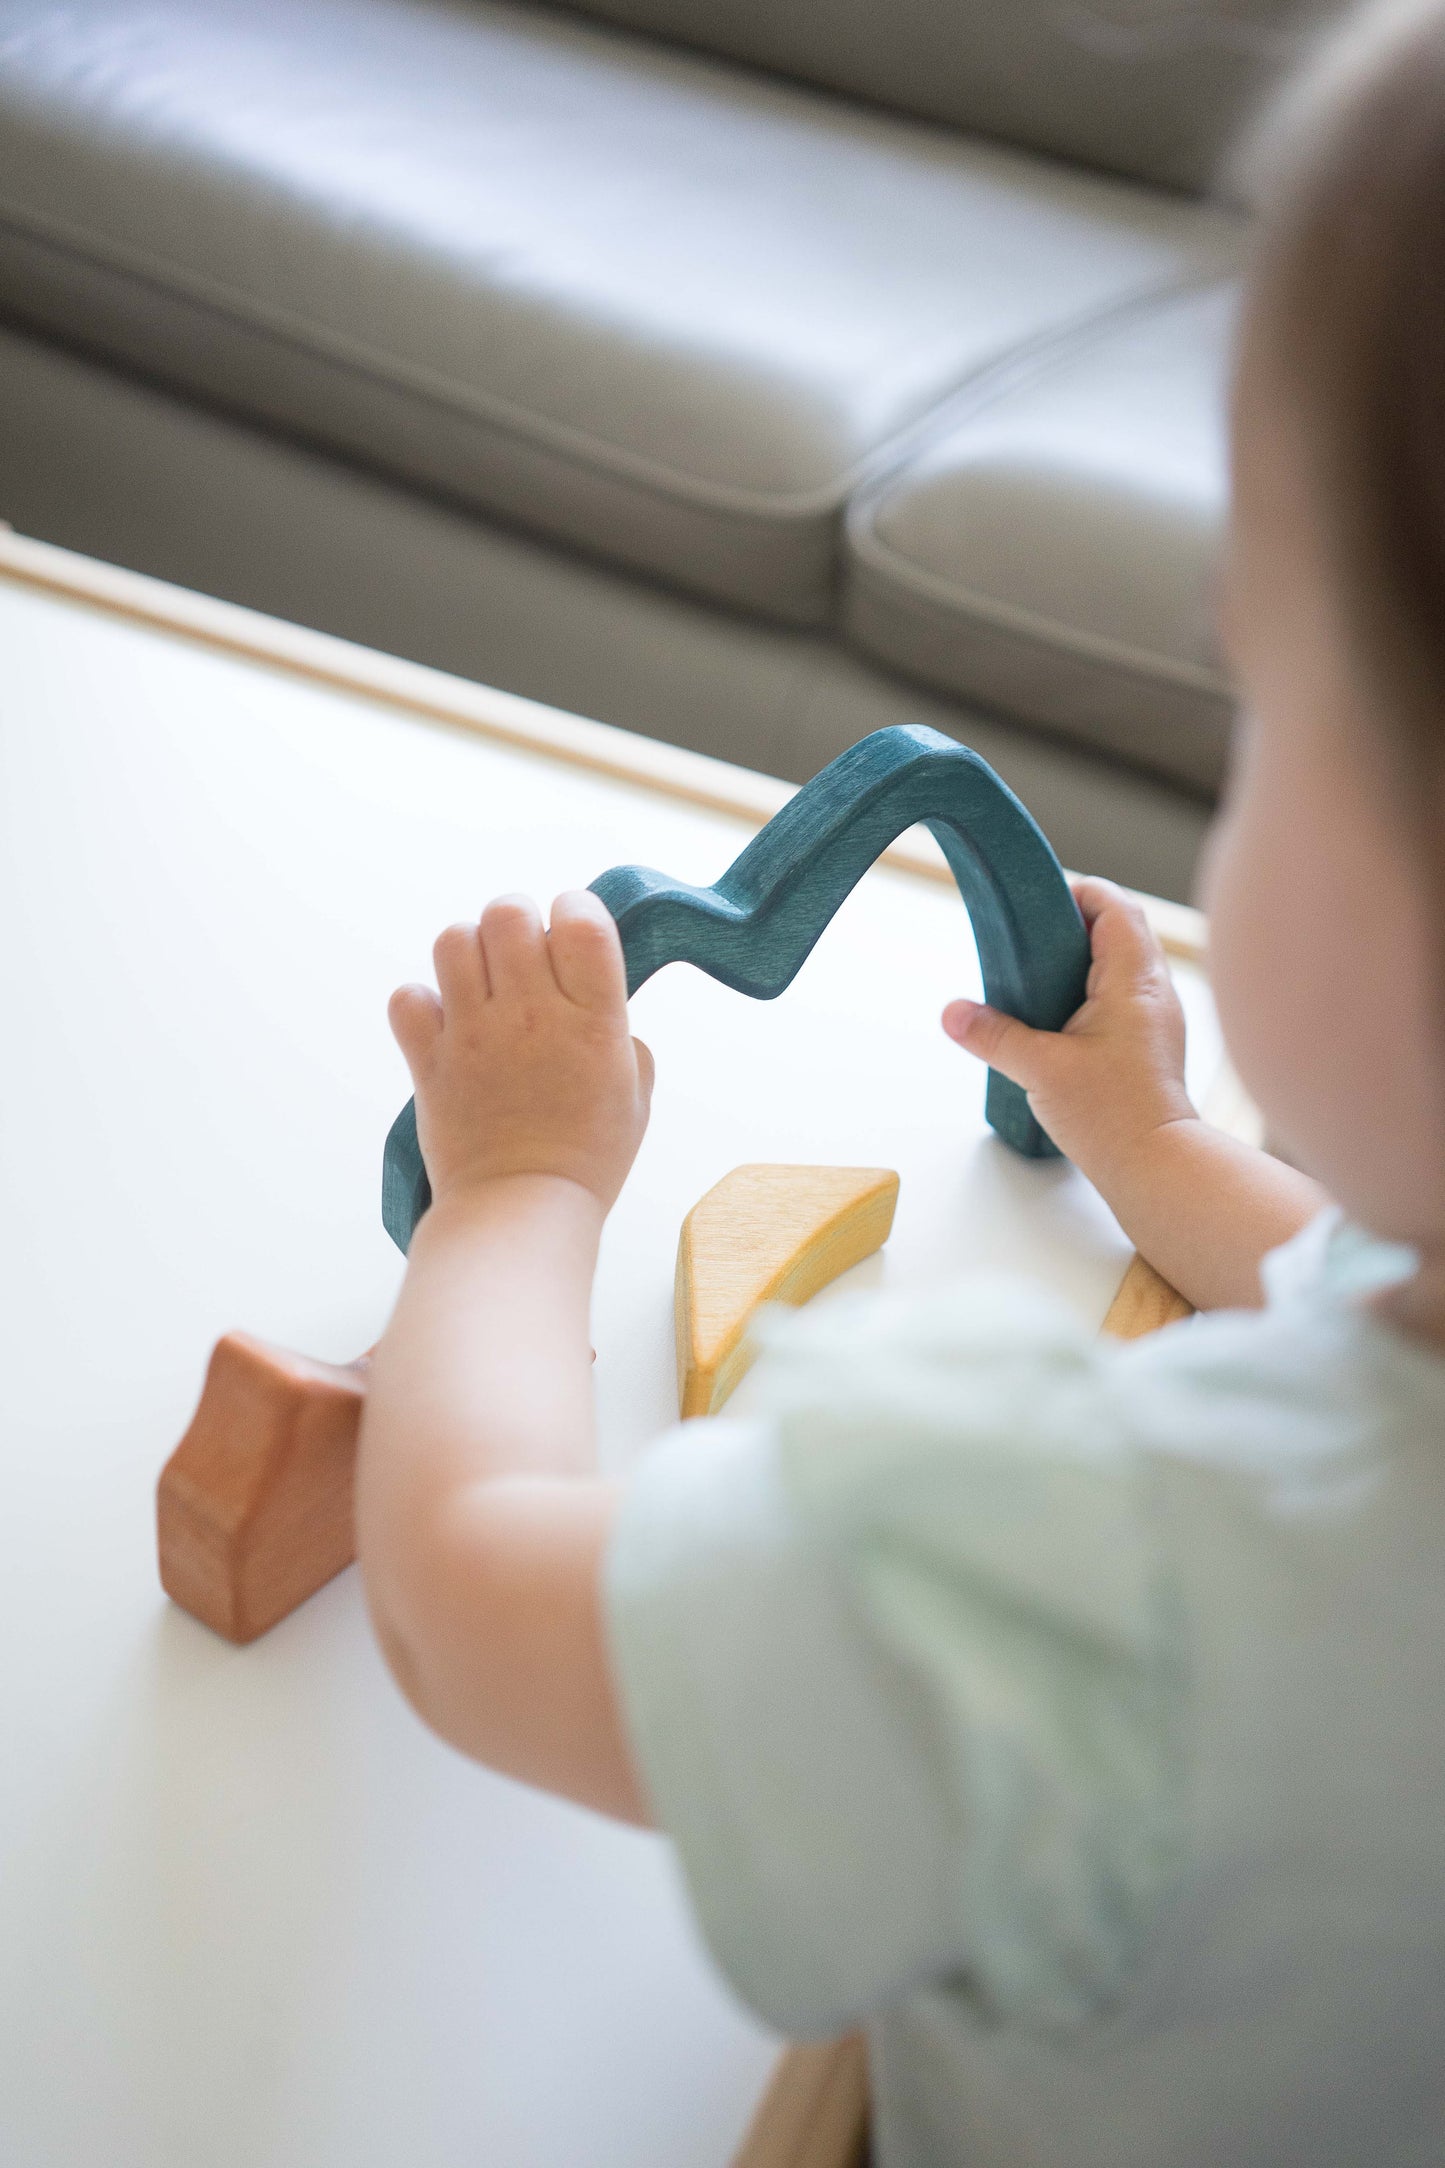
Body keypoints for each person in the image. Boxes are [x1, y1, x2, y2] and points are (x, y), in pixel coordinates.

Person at [354, 4, 1445, 2158]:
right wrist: (1154, 1144)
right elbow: (1348, 1282)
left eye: (1266, 704)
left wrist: (517, 1190)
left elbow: (474, 1593)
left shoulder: (1100, 1586)